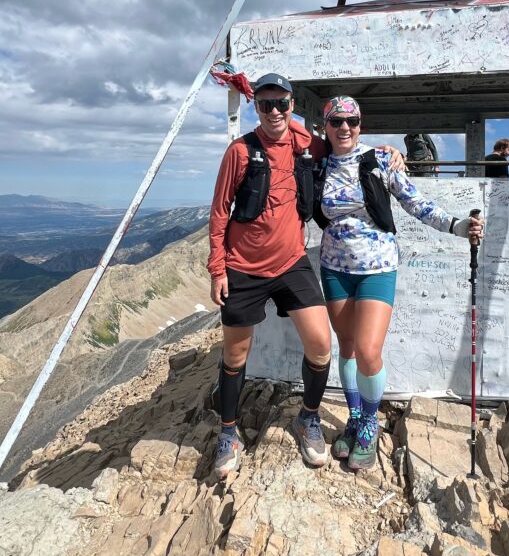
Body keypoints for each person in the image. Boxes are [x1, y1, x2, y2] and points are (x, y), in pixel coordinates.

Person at [207, 73, 406, 481]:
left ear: (293, 105)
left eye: (282, 103)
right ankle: (228, 433)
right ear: (256, 108)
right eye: (265, 105)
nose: (274, 111)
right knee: (235, 356)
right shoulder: (239, 152)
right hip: (242, 267)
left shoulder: (305, 144)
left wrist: (390, 151)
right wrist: (217, 269)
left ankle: (308, 419)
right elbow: (218, 211)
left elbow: (342, 145)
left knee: (320, 347)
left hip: (292, 263)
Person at [316, 96, 484, 471]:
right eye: (337, 121)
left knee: (368, 350)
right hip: (333, 267)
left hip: (378, 267)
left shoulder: (380, 159)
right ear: (324, 126)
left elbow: (416, 202)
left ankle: (370, 423)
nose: (345, 128)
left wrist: (457, 226)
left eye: (353, 121)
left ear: (361, 124)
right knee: (347, 349)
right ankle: (356, 418)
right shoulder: (318, 164)